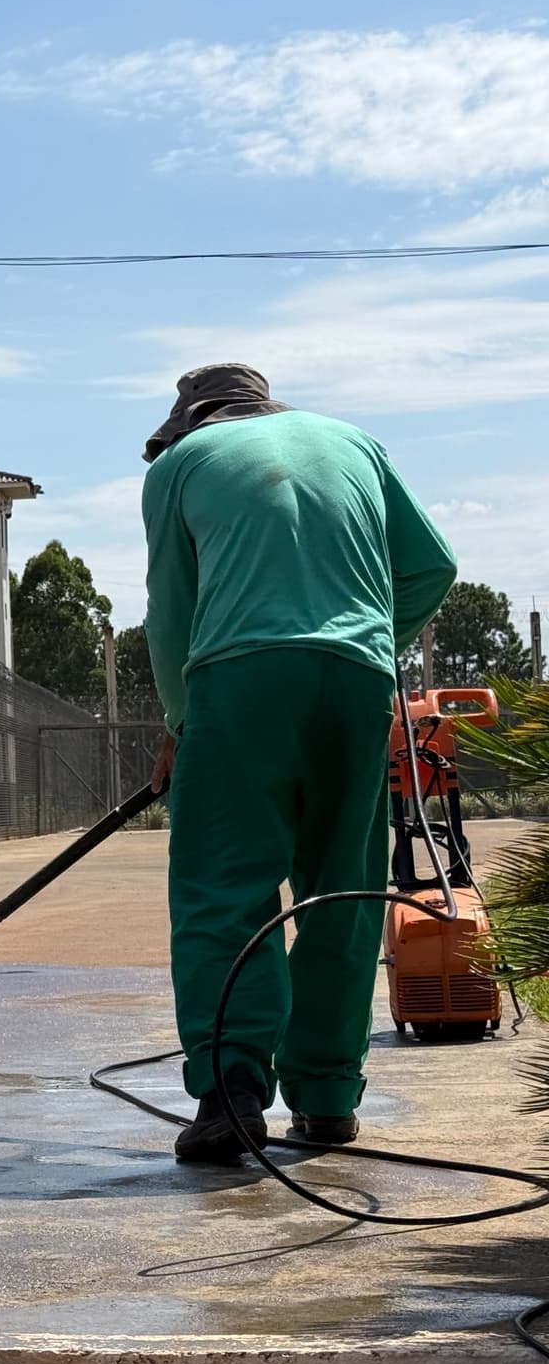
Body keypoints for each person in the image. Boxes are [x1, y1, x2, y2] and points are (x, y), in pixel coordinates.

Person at [141, 363, 456, 1164]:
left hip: (238, 674)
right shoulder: (356, 444)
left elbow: (172, 613)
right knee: (343, 885)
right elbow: (431, 567)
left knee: (225, 885)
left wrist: (181, 724)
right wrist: (369, 635)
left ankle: (231, 1093)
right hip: (354, 678)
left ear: (190, 422)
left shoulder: (180, 467)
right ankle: (324, 1098)